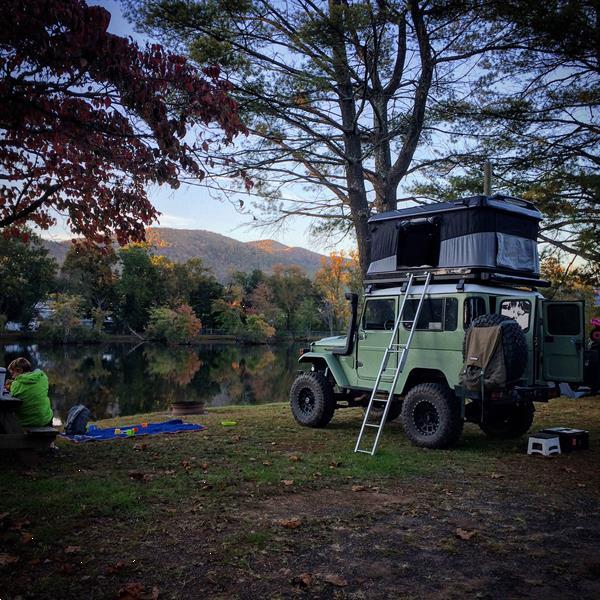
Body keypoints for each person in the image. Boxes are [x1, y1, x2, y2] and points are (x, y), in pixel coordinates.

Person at [6, 358, 53, 427]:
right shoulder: (43, 377)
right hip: (45, 420)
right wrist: (14, 383)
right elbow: (28, 385)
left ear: (19, 370)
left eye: (12, 373)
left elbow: (14, 394)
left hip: (27, 423)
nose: (12, 377)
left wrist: (11, 385)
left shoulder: (15, 385)